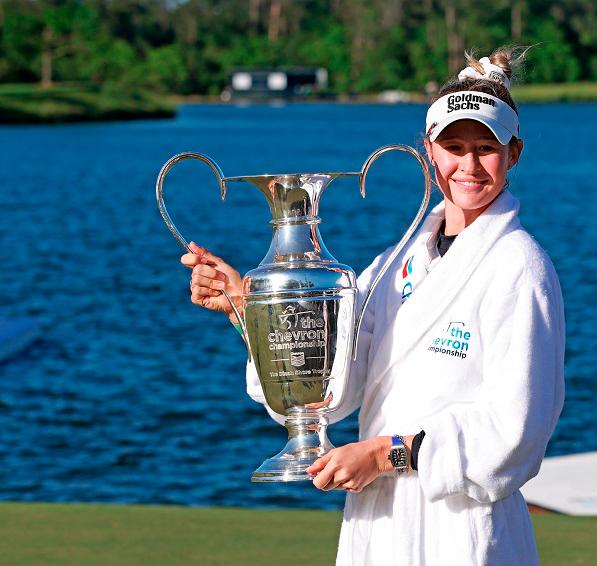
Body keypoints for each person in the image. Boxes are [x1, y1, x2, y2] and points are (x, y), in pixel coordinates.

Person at [182, 48, 565, 565]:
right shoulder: (394, 264)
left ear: (513, 153)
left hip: (464, 532)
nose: (469, 166)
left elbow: (516, 433)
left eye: (486, 148)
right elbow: (333, 388)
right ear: (428, 150)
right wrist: (250, 309)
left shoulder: (521, 267)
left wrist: (386, 455)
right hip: (378, 526)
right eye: (453, 147)